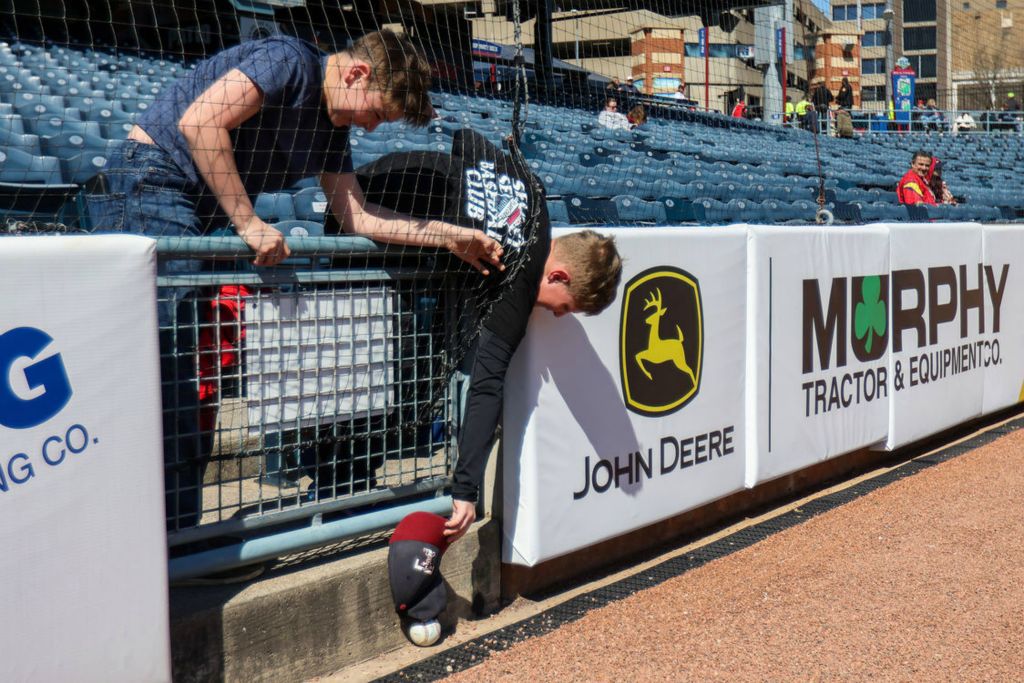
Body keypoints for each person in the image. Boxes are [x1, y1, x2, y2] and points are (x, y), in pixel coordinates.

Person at [85, 30, 505, 530]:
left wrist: (450, 237)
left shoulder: (331, 130)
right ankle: (156, 541)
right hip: (150, 182)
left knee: (187, 389)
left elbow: (360, 219)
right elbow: (200, 122)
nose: (371, 128)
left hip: (188, 208)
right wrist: (247, 222)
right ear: (357, 74)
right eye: (377, 112)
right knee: (167, 382)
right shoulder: (289, 61)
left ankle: (174, 538)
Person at [355, 128, 623, 544]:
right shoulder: (518, 284)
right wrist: (466, 491)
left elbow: (465, 139)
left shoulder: (535, 195)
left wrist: (510, 155)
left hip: (371, 180)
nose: (555, 312)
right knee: (355, 376)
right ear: (557, 275)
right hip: (358, 228)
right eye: (564, 304)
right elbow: (486, 387)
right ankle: (339, 484)